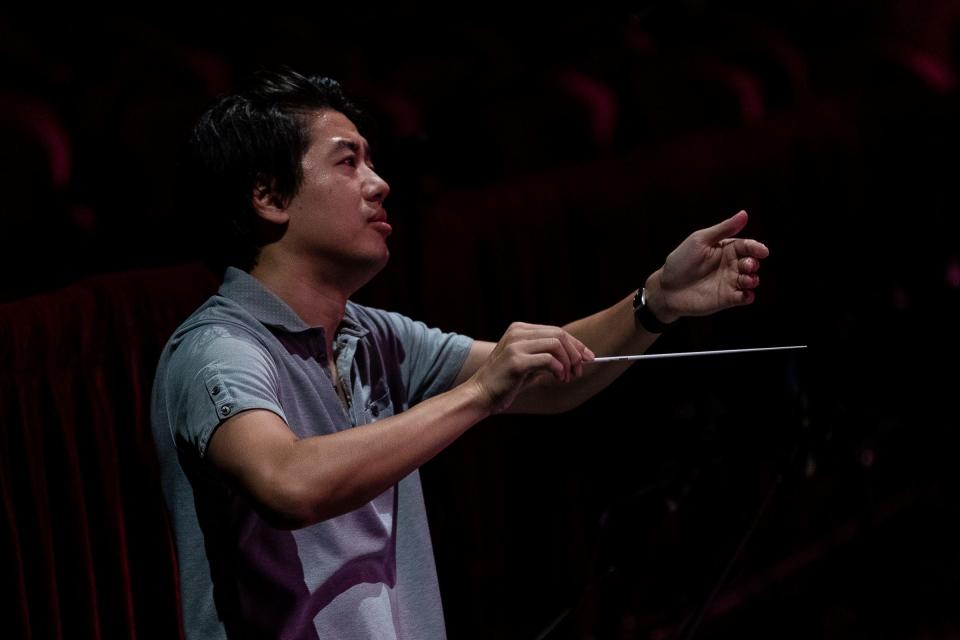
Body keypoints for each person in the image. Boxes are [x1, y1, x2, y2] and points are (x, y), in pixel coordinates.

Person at [151, 67, 769, 639]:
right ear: (269, 196)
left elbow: (548, 379)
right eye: (348, 162)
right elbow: (287, 482)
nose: (379, 182)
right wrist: (477, 393)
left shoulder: (374, 335)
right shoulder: (218, 351)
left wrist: (655, 301)